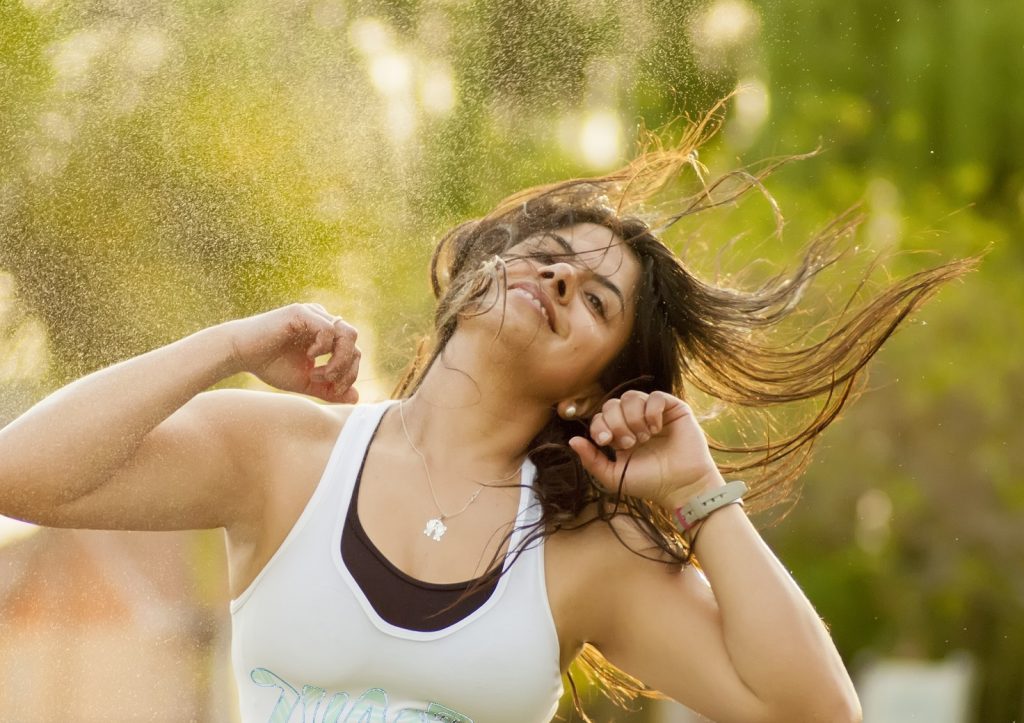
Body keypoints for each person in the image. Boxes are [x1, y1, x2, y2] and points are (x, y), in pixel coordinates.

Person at [0, 111, 973, 723]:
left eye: (597, 299)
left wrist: (697, 494)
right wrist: (230, 345)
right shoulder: (282, 455)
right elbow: (23, 474)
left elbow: (812, 714)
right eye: (551, 251)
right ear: (479, 273)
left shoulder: (585, 557)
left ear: (588, 387)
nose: (561, 277)